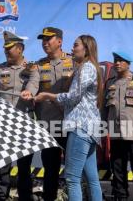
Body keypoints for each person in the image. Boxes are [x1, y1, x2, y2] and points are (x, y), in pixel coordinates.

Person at [33, 35, 103, 201]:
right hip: (88, 128)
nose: (72, 49)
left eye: (76, 45)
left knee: (72, 178)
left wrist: (49, 96)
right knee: (92, 178)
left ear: (86, 48)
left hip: (80, 127)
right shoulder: (85, 67)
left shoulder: (86, 68)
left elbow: (73, 96)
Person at [21, 27, 73, 201]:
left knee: (74, 169)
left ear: (59, 41)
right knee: (50, 169)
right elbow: (33, 84)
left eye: (48, 39)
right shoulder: (38, 65)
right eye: (43, 40)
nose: (45, 43)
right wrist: (28, 92)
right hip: (48, 126)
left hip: (70, 124)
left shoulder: (73, 62)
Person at [0, 31, 39, 201]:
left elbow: (34, 83)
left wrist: (29, 91)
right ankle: (0, 197)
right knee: (2, 166)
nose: (6, 51)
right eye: (5, 49)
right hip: (3, 123)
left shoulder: (31, 68)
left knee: (24, 166)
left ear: (20, 48)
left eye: (10, 48)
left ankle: (25, 197)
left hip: (24, 123)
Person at [103, 52, 133, 201]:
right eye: (115, 60)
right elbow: (104, 110)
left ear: (128, 63)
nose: (117, 63)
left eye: (121, 61)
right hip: (116, 135)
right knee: (118, 174)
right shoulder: (110, 83)